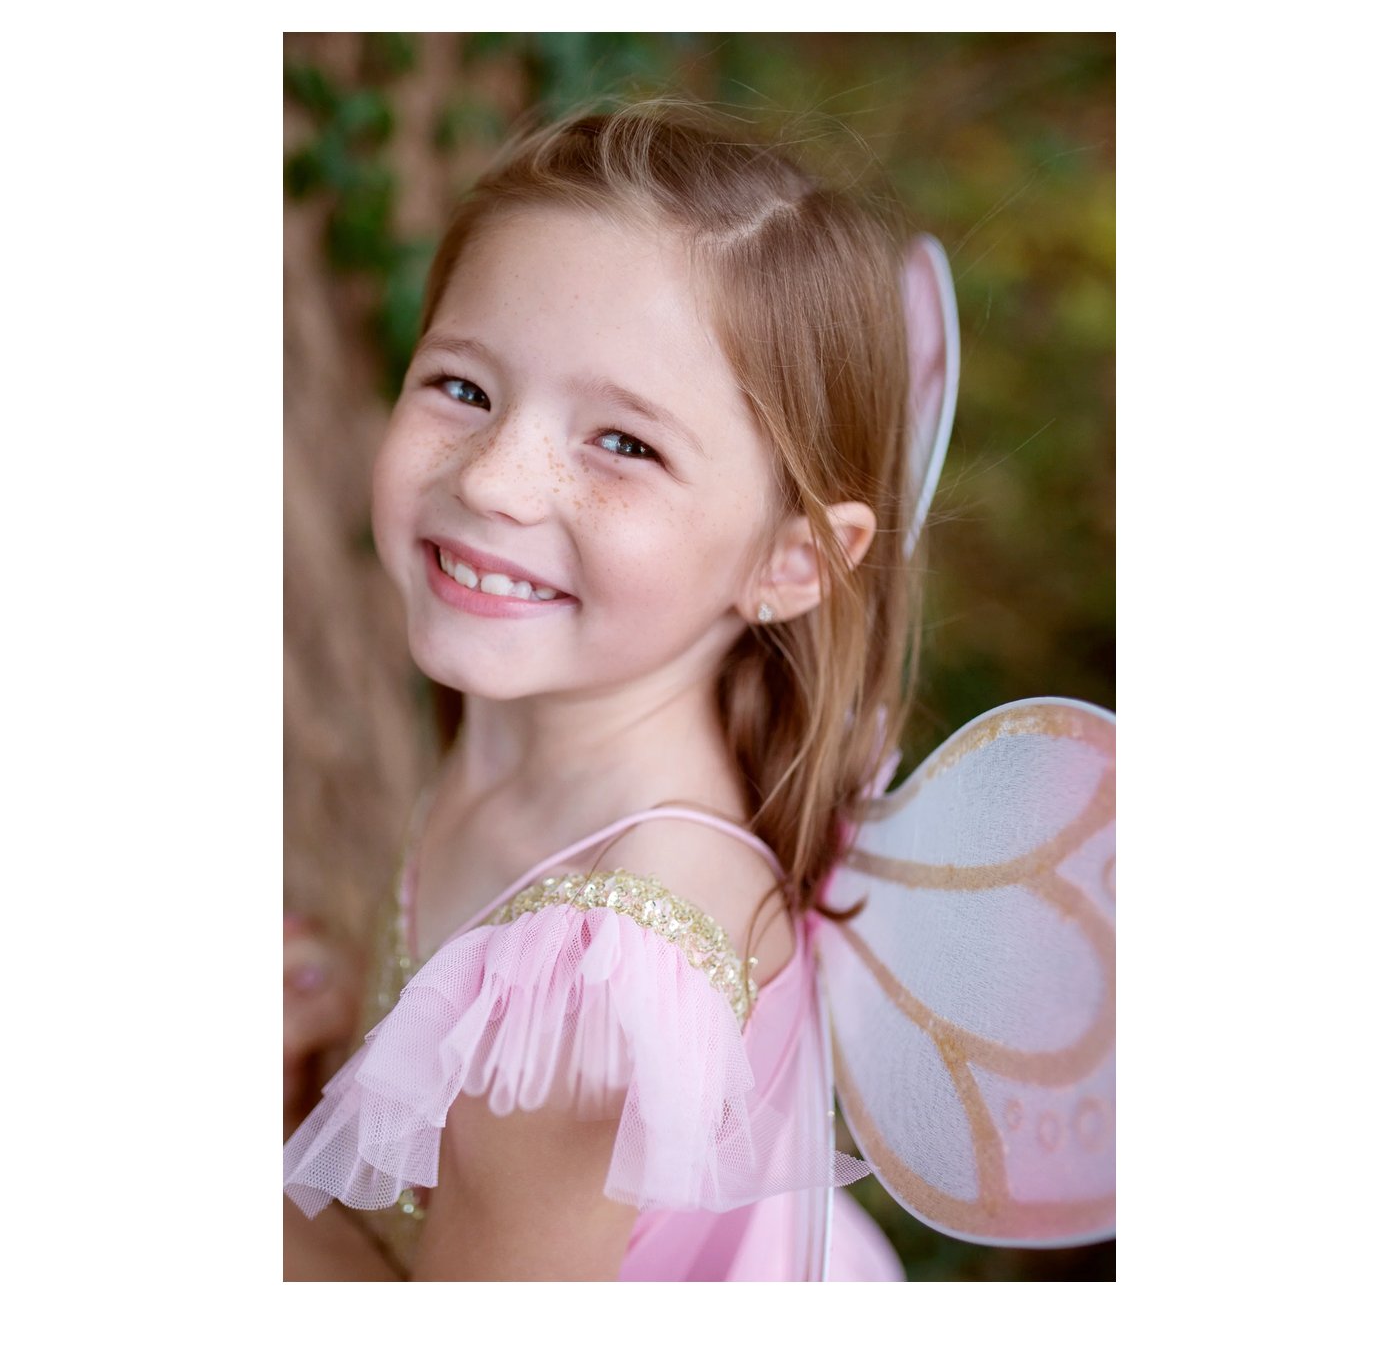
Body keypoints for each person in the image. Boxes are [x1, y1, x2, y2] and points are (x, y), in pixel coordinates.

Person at [283, 99, 1113, 1281]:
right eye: (463, 386)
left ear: (788, 562)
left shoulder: (593, 987)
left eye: (624, 443)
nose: (497, 479)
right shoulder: (540, 723)